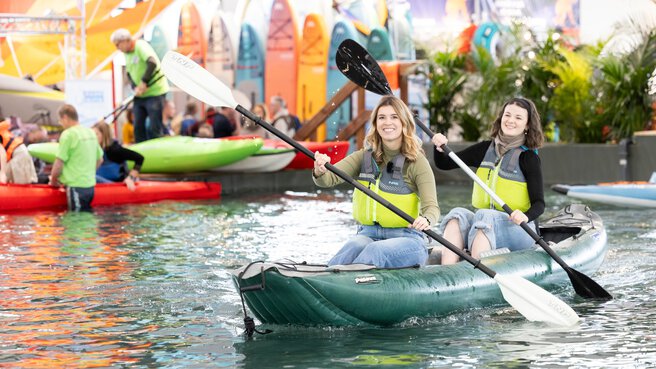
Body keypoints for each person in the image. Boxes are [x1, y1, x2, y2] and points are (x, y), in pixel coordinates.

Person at [313, 96, 440, 268]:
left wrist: (426, 219)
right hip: (367, 233)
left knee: (375, 251)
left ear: (404, 123)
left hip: (407, 238)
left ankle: (345, 284)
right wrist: (320, 170)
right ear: (375, 124)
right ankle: (326, 278)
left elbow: (432, 208)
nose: (387, 122)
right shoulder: (363, 157)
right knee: (352, 247)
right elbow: (328, 179)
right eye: (382, 117)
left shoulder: (417, 162)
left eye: (394, 117)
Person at [431, 97, 545, 265]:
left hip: (518, 229)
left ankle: (477, 274)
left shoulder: (528, 158)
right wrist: (439, 147)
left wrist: (525, 216)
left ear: (527, 125)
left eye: (518, 117)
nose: (511, 121)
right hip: (484, 225)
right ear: (501, 118)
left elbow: (539, 204)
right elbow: (444, 163)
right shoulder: (485, 149)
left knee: (485, 216)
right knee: (457, 214)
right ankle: (447, 271)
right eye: (507, 115)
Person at [111, 28, 169, 143]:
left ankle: (157, 153)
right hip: (140, 95)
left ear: (126, 41)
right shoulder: (126, 54)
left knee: (154, 127)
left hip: (155, 93)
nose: (118, 48)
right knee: (137, 127)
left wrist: (144, 82)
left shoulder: (140, 46)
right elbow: (130, 73)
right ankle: (142, 155)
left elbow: (152, 62)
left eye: (118, 45)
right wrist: (135, 87)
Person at [49, 104, 103, 211]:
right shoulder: (90, 132)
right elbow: (100, 159)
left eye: (60, 121)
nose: (60, 124)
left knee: (76, 220)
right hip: (90, 186)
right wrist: (88, 174)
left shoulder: (68, 134)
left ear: (65, 117)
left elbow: (59, 162)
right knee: (87, 219)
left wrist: (53, 181)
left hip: (75, 186)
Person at [92, 121, 144, 192]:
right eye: (92, 134)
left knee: (92, 177)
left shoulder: (114, 150)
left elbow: (140, 158)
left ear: (104, 135)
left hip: (117, 184)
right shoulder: (94, 149)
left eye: (96, 134)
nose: (93, 137)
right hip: (102, 184)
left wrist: (130, 178)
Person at [0, 117, 38, 184]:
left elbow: (1, 153)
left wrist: (3, 173)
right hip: (18, 155)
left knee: (21, 187)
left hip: (18, 156)